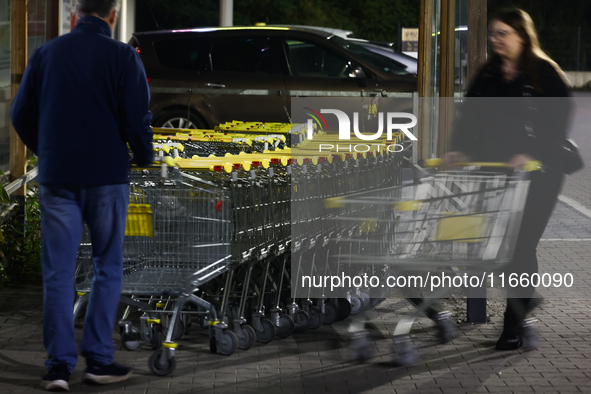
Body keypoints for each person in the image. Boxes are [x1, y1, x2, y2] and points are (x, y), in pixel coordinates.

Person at [10, 0, 153, 391]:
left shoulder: (46, 54)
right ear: (113, 16)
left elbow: (20, 113)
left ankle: (58, 367)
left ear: (74, 17)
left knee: (59, 272)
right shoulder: (123, 56)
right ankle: (98, 360)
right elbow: (137, 116)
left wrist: (48, 150)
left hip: (58, 178)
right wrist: (143, 156)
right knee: (107, 265)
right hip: (107, 177)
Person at [444, 8, 571, 350]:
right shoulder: (488, 75)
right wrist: (457, 149)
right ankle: (524, 301)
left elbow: (557, 124)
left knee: (520, 245)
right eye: (493, 35)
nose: (495, 40)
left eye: (502, 34)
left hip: (539, 176)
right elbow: (467, 116)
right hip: (495, 173)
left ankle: (512, 327)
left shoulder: (545, 75)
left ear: (522, 36)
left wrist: (533, 153)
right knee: (497, 246)